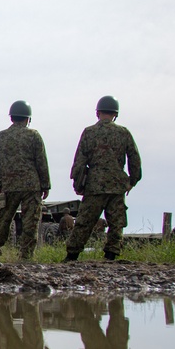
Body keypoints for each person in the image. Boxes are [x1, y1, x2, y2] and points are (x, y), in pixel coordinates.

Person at [65, 96, 142, 261]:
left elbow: (79, 161)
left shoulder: (89, 132)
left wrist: (78, 184)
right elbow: (134, 159)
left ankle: (72, 256)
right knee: (116, 223)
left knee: (85, 221)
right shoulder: (124, 132)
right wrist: (131, 181)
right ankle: (111, 255)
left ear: (98, 112)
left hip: (94, 185)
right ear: (115, 114)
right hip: (117, 185)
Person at [0, 100, 51, 260]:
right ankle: (26, 256)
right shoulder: (34, 135)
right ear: (28, 118)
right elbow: (41, 161)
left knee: (2, 220)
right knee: (31, 222)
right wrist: (45, 185)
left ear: (11, 117)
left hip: (9, 186)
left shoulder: (1, 137)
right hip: (31, 186)